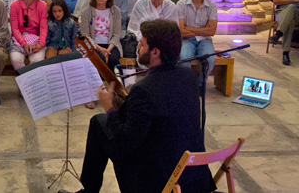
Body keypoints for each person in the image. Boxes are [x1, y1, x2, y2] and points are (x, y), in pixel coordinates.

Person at [59, 19, 215, 193]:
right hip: (193, 176)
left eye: (141, 44)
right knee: (101, 122)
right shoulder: (189, 77)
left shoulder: (144, 89)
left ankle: (89, 191)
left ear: (155, 52)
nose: (137, 47)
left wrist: (109, 107)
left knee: (98, 124)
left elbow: (125, 142)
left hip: (158, 182)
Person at [177, 0, 217, 77]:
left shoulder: (211, 6)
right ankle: (187, 85)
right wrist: (203, 29)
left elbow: (211, 31)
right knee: (184, 58)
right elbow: (181, 31)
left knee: (209, 59)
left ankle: (199, 85)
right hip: (186, 39)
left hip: (205, 39)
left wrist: (188, 27)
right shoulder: (181, 4)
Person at [80, 0, 123, 72]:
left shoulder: (116, 11)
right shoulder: (86, 12)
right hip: (93, 45)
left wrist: (107, 50)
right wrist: (100, 49)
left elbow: (116, 34)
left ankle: (113, 84)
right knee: (99, 60)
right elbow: (85, 35)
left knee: (113, 59)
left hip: (111, 45)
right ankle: (99, 85)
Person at [9, 0, 48, 70]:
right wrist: (24, 44)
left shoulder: (42, 5)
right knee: (16, 60)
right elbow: (14, 28)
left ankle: (33, 83)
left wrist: (41, 44)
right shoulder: (14, 5)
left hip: (36, 39)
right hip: (19, 39)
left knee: (37, 61)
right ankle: (24, 82)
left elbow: (43, 27)